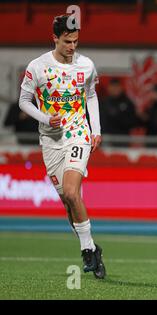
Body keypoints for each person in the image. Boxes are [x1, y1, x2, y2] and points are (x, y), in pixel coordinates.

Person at [18, 14, 106, 279]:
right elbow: (24, 101)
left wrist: (95, 129)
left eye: (76, 41)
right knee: (68, 201)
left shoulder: (86, 66)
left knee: (71, 190)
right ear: (55, 38)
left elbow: (90, 95)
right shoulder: (38, 67)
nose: (72, 47)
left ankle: (87, 252)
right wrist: (45, 118)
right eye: (67, 42)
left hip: (78, 134)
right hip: (51, 140)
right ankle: (91, 247)